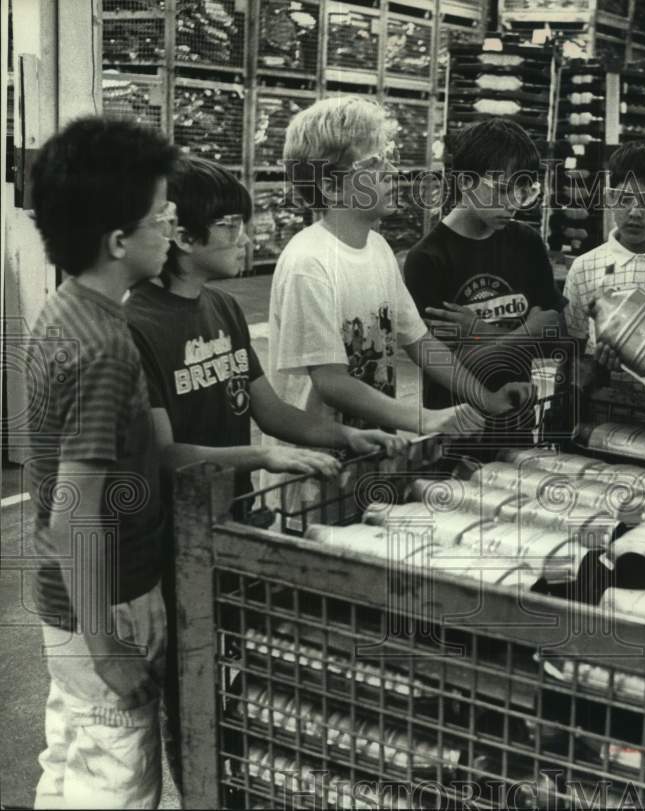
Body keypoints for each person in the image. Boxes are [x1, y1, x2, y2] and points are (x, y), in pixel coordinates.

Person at [124, 156, 407, 796]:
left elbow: (270, 408)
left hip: (236, 525)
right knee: (188, 693)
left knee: (247, 682)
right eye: (228, 225)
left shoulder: (222, 308)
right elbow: (162, 455)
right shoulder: (135, 325)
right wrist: (259, 458)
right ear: (181, 237)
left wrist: (345, 434)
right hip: (174, 544)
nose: (246, 237)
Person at [268, 97, 532, 503]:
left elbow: (421, 343)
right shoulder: (309, 262)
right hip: (314, 471)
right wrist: (424, 418)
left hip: (372, 456)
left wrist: (485, 396)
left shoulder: (378, 249)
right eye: (373, 165)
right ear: (330, 184)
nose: (392, 173)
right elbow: (332, 382)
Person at [25, 116, 177, 809]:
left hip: (79, 598)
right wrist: (110, 646)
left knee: (73, 751)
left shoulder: (66, 311)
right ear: (120, 241)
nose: (171, 226)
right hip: (103, 604)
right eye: (162, 215)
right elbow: (74, 510)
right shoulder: (102, 348)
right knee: (117, 773)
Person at [402, 120, 564, 418]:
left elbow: (555, 331)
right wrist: (528, 332)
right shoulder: (427, 259)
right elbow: (447, 365)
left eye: (524, 192)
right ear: (465, 181)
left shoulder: (526, 243)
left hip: (522, 415)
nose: (513, 204)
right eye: (502, 190)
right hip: (457, 420)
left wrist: (479, 331)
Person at [563, 140, 645, 391]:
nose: (634, 212)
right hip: (601, 405)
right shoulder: (584, 267)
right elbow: (573, 347)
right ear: (609, 197)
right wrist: (596, 366)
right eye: (625, 198)